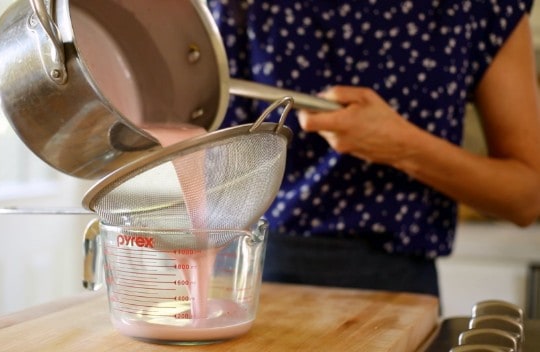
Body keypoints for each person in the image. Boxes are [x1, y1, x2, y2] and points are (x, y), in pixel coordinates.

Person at [207, 0, 540, 297]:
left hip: (397, 285)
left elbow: (527, 198)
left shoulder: (483, 7)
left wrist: (403, 147)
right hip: (247, 272)